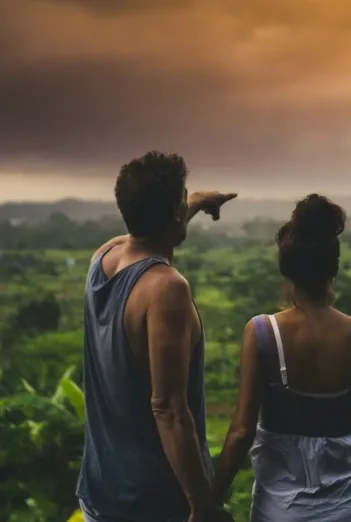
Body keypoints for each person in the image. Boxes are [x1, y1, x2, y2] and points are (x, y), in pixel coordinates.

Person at [77, 151, 237, 522]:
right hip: (154, 503)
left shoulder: (102, 258)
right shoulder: (166, 289)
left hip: (102, 494)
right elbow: (168, 408)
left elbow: (146, 231)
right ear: (175, 215)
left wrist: (193, 202)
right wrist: (201, 504)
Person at [211, 194, 351, 522]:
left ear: (286, 269)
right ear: (334, 265)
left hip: (279, 510)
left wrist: (209, 502)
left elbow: (241, 432)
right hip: (349, 508)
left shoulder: (263, 333)